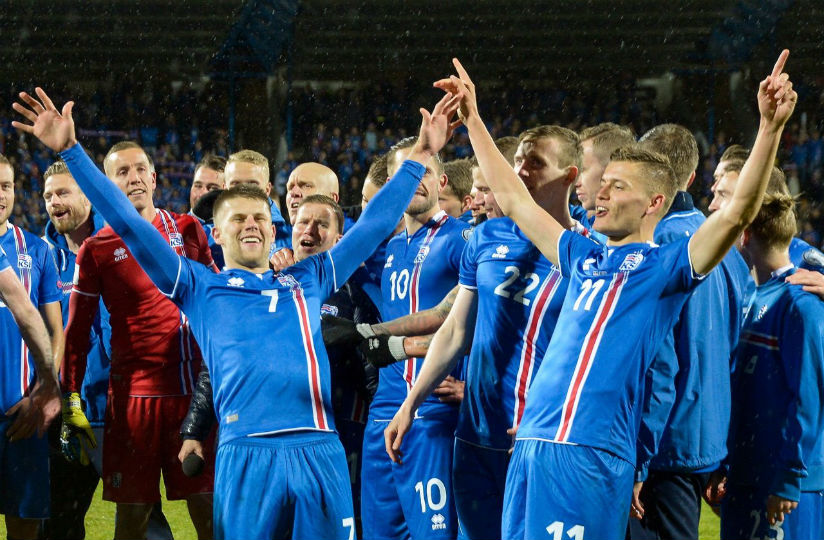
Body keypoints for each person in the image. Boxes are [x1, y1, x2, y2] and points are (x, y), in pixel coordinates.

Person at [13, 85, 461, 540]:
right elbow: (126, 223)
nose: (252, 224)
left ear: (273, 230)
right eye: (238, 218)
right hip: (246, 456)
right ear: (218, 236)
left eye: (260, 218)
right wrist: (70, 151)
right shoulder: (197, 286)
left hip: (319, 449)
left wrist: (422, 153)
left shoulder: (310, 277)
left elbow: (374, 223)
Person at [415, 51, 796, 538]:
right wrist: (472, 117)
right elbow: (511, 195)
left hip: (591, 454)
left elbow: (738, 212)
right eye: (604, 184)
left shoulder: (667, 268)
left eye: (617, 187)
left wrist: (769, 128)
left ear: (654, 203)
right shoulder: (580, 256)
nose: (602, 194)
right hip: (533, 442)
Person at [383, 125, 602, 540]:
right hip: (476, 435)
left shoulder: (590, 255)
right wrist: (411, 402)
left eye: (536, 162)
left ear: (570, 176)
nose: (519, 171)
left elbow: (592, 358)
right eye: (517, 160)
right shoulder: (486, 236)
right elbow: (455, 331)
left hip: (540, 438)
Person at [55, 141, 216, 540]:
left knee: (211, 514)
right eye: (122, 173)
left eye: (141, 169)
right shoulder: (96, 250)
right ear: (106, 187)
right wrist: (70, 397)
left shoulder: (188, 230)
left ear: (155, 178)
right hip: (131, 405)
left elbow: (217, 304)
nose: (135, 178)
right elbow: (76, 333)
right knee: (132, 522)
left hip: (189, 400)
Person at [625, 124, 750, 540]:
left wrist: (640, 461)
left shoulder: (654, 246)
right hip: (709, 434)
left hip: (665, 443)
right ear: (693, 178)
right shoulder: (726, 248)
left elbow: (658, 365)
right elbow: (737, 349)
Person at [359, 134, 470, 540]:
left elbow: (480, 318)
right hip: (381, 412)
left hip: (433, 412)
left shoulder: (462, 240)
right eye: (407, 174)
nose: (417, 180)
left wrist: (471, 384)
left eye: (426, 171)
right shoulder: (385, 250)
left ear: (442, 183)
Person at [706, 188, 824, 540]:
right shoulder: (748, 295)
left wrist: (790, 478)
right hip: (746, 472)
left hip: (785, 484)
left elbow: (809, 397)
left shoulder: (800, 303)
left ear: (743, 234)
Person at [40, 160, 111, 540]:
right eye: (48, 195)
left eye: (63, 192)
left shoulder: (118, 244)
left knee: (142, 520)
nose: (54, 201)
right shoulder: (41, 257)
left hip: (118, 413)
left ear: (87, 193)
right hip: (66, 415)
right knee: (57, 525)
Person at [0, 154, 63, 540]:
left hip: (21, 415)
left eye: (4, 186)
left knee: (24, 526)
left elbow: (56, 330)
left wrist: (42, 392)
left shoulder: (38, 250)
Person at [224, 149, 291, 249]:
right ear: (225, 190)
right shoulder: (206, 237)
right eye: (236, 185)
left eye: (252, 185)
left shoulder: (292, 240)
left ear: (267, 190)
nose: (244, 192)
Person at [575, 123, 635, 226]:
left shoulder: (658, 232)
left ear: (611, 169)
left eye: (583, 170)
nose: (576, 183)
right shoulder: (586, 220)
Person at [189, 155, 226, 269]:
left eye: (212, 188)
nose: (202, 194)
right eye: (198, 186)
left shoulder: (235, 232)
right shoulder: (173, 225)